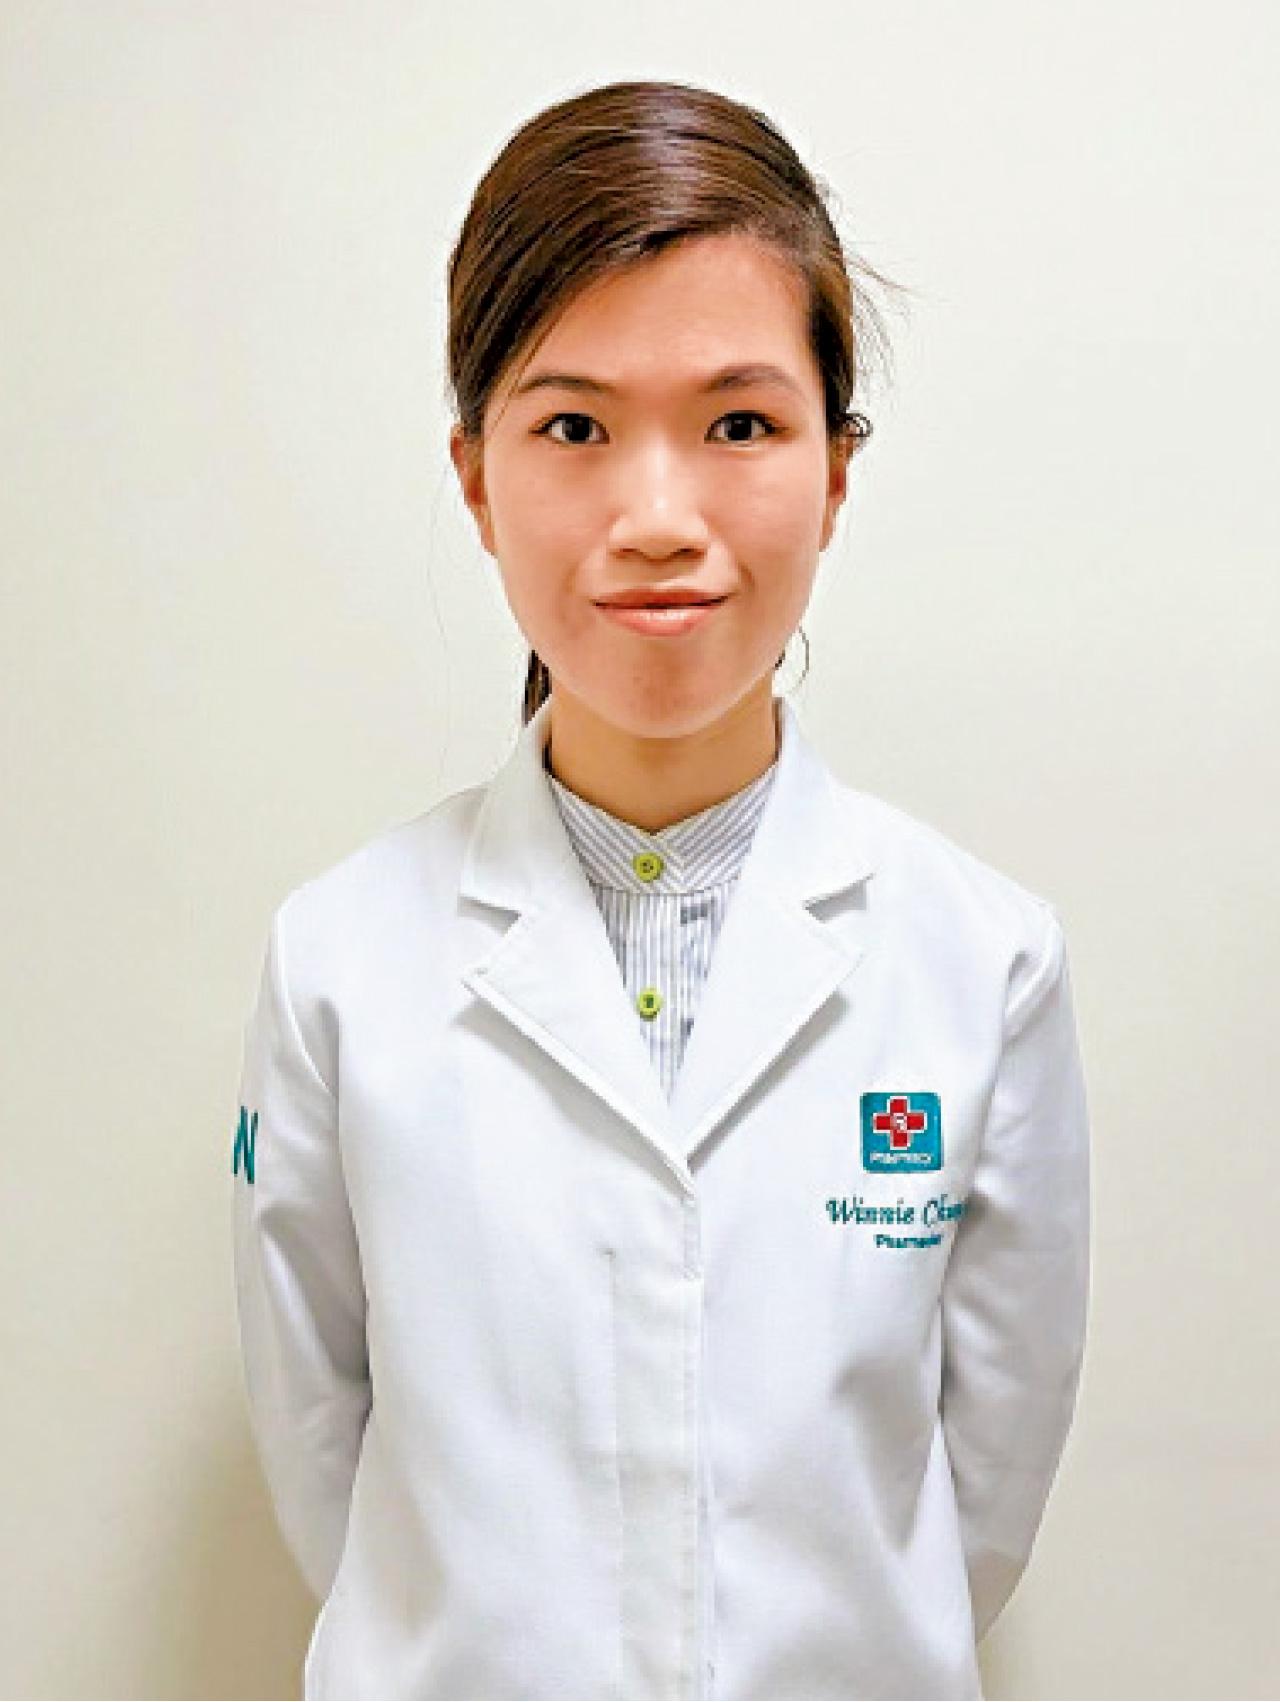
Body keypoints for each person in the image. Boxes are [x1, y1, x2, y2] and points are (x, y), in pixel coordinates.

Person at [231, 78, 1091, 1701]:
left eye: (740, 424)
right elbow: (321, 1450)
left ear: (836, 471)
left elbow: (973, 1505)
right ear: (476, 477)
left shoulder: (984, 962)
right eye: (572, 427)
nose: (656, 520)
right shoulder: (339, 958)